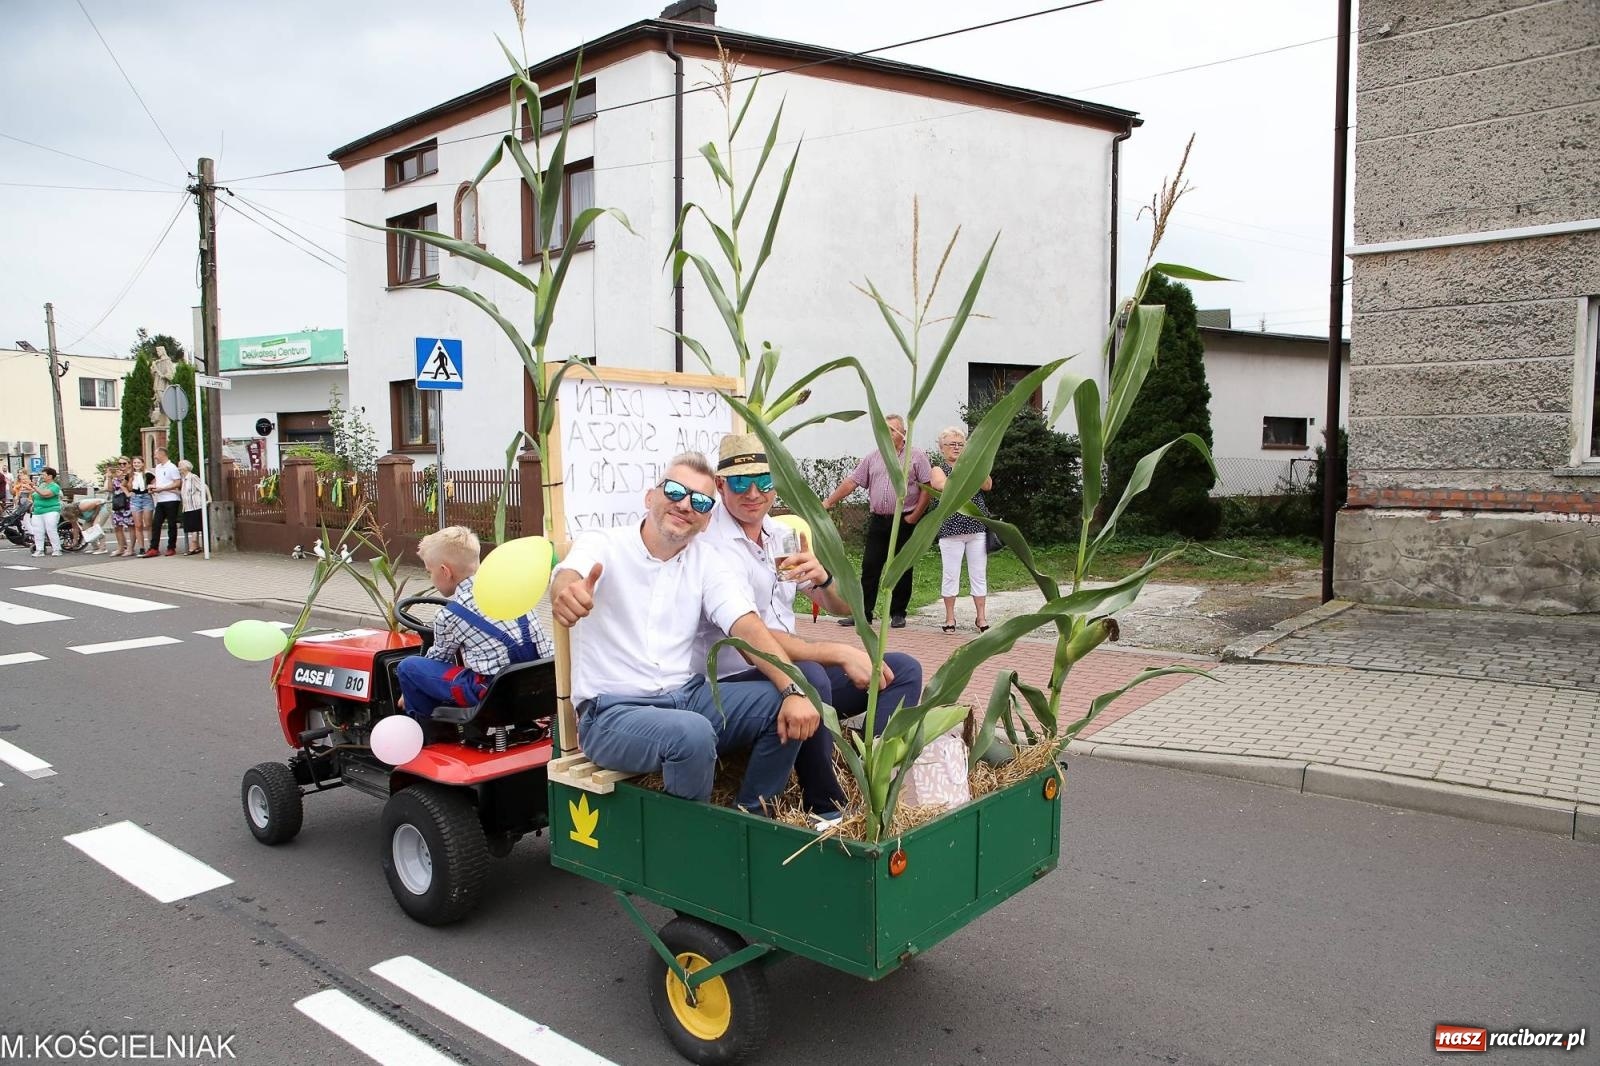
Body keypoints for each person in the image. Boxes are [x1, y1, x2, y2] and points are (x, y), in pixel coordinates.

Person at [551, 453, 819, 812]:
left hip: (687, 697)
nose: (685, 504)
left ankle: (750, 818)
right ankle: (693, 851)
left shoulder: (706, 560)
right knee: (691, 734)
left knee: (789, 699)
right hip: (613, 713)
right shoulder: (604, 543)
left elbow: (746, 625)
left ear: (708, 519)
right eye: (675, 491)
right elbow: (569, 576)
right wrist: (567, 592)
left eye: (701, 501)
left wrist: (792, 688)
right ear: (650, 497)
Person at [702, 434, 925, 814]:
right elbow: (751, 637)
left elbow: (839, 608)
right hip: (733, 683)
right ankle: (825, 804)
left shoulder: (782, 534)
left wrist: (822, 578)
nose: (754, 492)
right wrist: (838, 652)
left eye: (765, 481)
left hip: (792, 670)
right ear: (721, 485)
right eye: (740, 482)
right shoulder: (711, 545)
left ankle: (866, 767)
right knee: (810, 677)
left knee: (902, 671)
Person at [395, 526, 553, 720]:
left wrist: (407, 688)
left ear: (445, 571)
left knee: (409, 668)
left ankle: (428, 732)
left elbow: (438, 659)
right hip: (541, 683)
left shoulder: (449, 616)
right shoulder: (513, 590)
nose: (431, 577)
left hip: (495, 695)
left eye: (430, 572)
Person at [820, 413, 933, 629]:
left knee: (902, 567)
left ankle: (898, 613)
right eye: (884, 429)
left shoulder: (916, 456)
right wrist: (828, 502)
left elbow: (927, 487)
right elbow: (852, 481)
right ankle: (864, 614)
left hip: (904, 520)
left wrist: (915, 516)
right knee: (870, 566)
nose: (887, 433)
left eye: (892, 429)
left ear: (903, 433)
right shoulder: (873, 457)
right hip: (879, 521)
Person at [929, 425, 993, 632]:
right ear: (942, 448)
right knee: (950, 573)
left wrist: (974, 465)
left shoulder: (972, 465)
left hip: (976, 526)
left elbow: (987, 485)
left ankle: (981, 618)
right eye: (951, 444)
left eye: (960, 444)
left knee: (978, 573)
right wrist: (965, 478)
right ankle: (949, 618)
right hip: (950, 528)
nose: (956, 448)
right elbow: (942, 485)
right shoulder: (938, 469)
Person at [146, 448, 182, 557]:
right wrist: (154, 487)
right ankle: (154, 548)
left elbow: (177, 483)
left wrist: (163, 489)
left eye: (156, 455)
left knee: (171, 524)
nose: (155, 457)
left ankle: (171, 547)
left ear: (162, 454)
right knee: (156, 523)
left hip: (171, 499)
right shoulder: (158, 467)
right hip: (161, 499)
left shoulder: (172, 467)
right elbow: (159, 481)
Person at [178, 460, 211, 555]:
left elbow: (203, 486)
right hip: (187, 507)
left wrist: (209, 498)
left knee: (194, 527)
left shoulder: (193, 477)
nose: (179, 468)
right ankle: (196, 546)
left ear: (186, 467)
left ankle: (193, 546)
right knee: (190, 527)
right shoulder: (184, 479)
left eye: (180, 466)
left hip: (195, 506)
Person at [29, 467, 63, 557]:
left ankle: (57, 549)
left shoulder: (55, 486)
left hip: (51, 510)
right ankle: (39, 550)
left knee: (51, 529)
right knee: (38, 531)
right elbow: (35, 495)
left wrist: (35, 487)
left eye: (44, 475)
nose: (42, 476)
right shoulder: (42, 485)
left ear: (50, 476)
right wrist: (33, 505)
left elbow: (45, 494)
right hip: (38, 511)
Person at [108, 458, 135, 556]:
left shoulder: (131, 475)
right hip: (118, 504)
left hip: (128, 503)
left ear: (129, 464)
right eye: (120, 464)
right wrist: (109, 478)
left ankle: (130, 548)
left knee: (131, 526)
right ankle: (120, 548)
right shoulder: (116, 477)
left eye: (124, 463)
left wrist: (123, 479)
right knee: (117, 527)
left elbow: (131, 488)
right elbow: (110, 489)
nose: (121, 465)